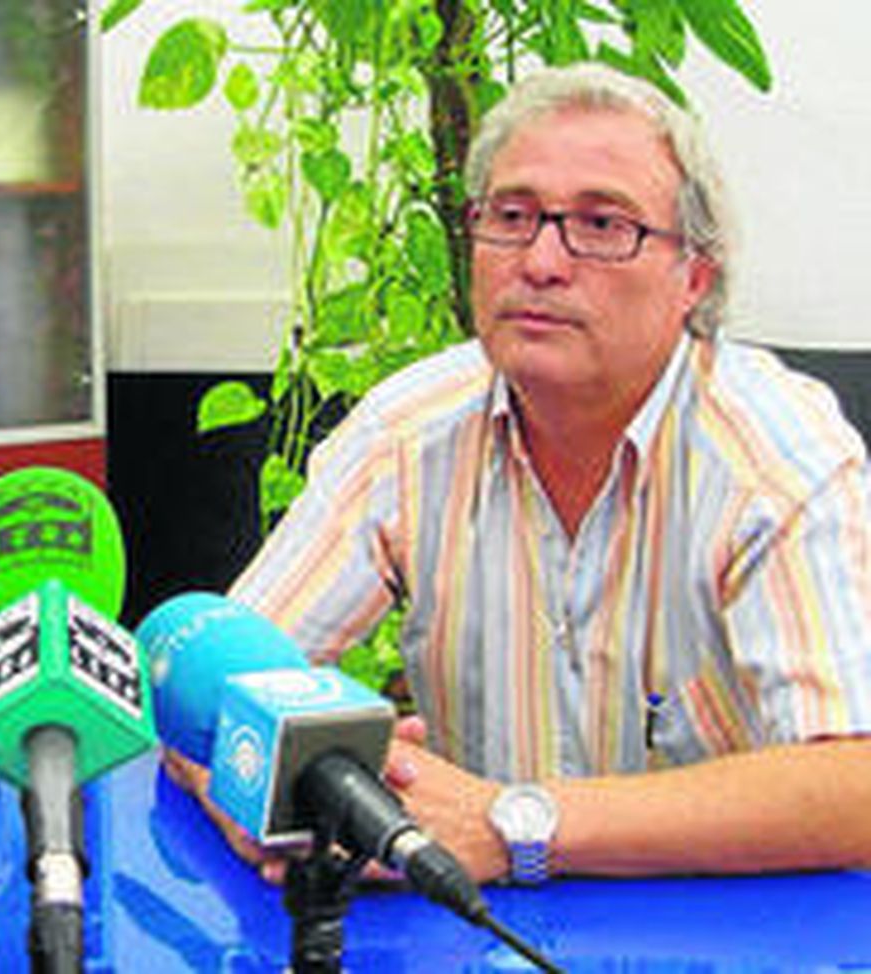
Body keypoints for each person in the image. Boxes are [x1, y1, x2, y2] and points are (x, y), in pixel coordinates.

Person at [171, 63, 871, 886]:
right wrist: (272, 793)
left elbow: (852, 782)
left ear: (694, 277)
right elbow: (207, 685)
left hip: (723, 927)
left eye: (603, 224)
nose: (540, 260)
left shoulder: (776, 459)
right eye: (511, 216)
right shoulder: (407, 431)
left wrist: (513, 823)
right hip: (474, 931)